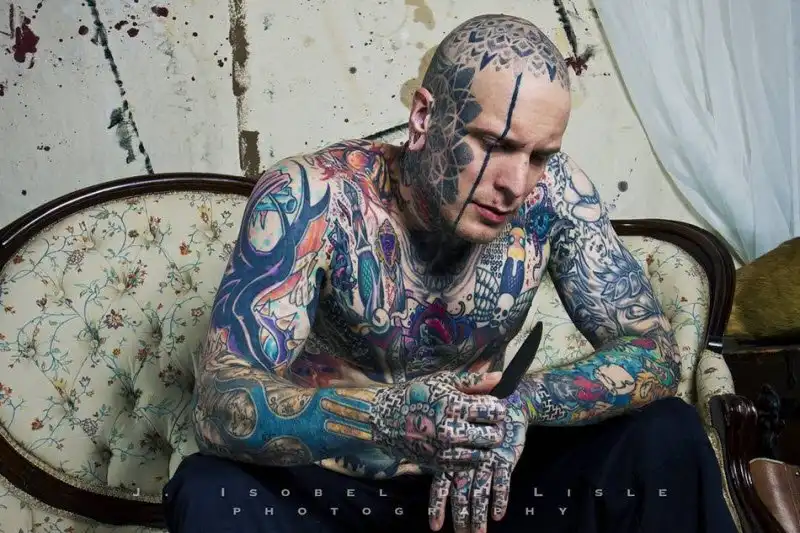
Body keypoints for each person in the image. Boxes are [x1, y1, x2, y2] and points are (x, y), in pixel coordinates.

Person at [162, 13, 738, 533]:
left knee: (666, 434)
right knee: (210, 491)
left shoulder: (555, 196)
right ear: (423, 117)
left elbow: (654, 351)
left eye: (540, 156)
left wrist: (526, 402)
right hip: (335, 492)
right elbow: (219, 402)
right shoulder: (316, 199)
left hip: (488, 491)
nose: (516, 183)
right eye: (494, 144)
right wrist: (388, 417)